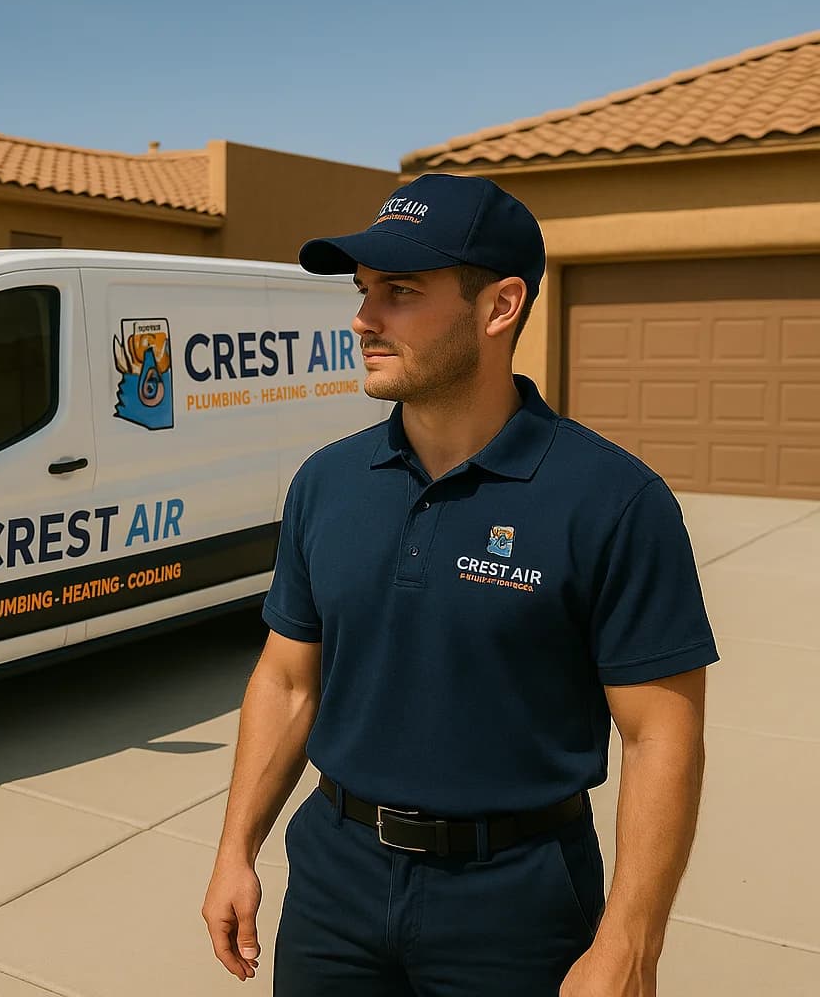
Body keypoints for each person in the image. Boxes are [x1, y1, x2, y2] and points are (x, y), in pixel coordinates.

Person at [200, 172, 716, 996]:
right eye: (365, 291)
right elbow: (289, 679)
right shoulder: (326, 484)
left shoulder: (614, 501)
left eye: (400, 292)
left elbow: (663, 737)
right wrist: (236, 850)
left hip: (518, 899)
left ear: (499, 307)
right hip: (335, 882)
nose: (364, 318)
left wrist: (630, 944)